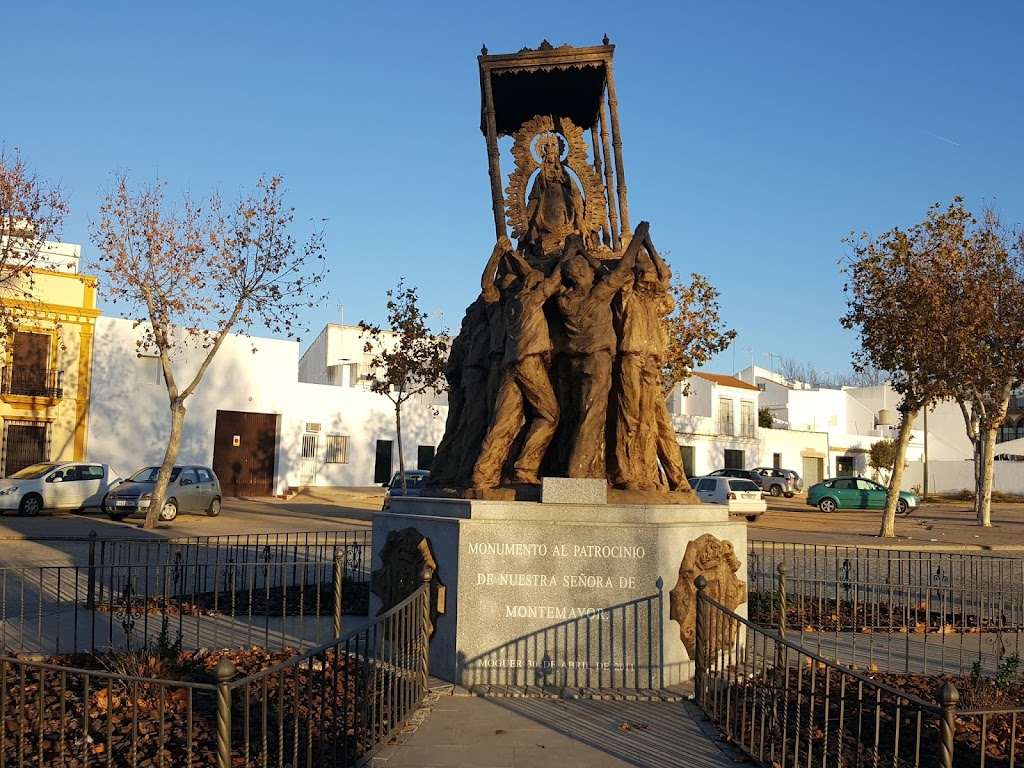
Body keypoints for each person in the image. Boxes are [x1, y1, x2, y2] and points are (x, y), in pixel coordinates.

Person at [554, 224, 647, 478]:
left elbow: (555, 280)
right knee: (591, 415)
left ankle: (563, 463)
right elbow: (623, 268)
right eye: (587, 271)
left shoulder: (563, 301)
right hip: (596, 361)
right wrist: (638, 238)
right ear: (582, 274)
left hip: (572, 363)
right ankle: (577, 470)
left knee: (571, 415)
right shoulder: (597, 295)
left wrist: (574, 252)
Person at [473, 240, 562, 487]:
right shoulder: (531, 299)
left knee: (504, 420)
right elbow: (553, 279)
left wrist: (500, 254)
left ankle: (484, 474)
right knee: (549, 415)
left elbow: (486, 284)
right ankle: (524, 469)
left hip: (510, 365)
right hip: (529, 363)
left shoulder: (507, 305)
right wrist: (570, 252)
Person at [613, 229, 686, 491]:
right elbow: (622, 271)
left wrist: (649, 244)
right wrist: (635, 243)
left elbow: (665, 275)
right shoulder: (627, 295)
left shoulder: (653, 301)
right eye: (645, 275)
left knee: (648, 422)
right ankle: (624, 473)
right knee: (629, 415)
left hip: (651, 361)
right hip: (631, 358)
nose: (651, 279)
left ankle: (644, 474)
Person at [523, 136, 588, 259]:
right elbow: (534, 196)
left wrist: (580, 218)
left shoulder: (563, 174)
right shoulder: (541, 176)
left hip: (566, 214)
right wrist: (527, 216)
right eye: (547, 146)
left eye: (553, 145)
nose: (550, 149)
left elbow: (575, 192)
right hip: (545, 213)